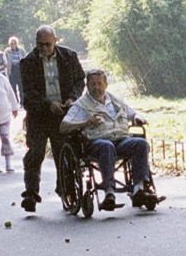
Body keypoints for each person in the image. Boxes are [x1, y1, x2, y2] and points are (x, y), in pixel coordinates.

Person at [61, 69, 158, 210]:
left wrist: (137, 117)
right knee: (106, 146)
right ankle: (109, 193)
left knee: (140, 143)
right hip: (96, 142)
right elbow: (63, 127)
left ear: (106, 84)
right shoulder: (81, 105)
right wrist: (86, 122)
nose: (96, 87)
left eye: (100, 83)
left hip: (121, 139)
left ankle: (139, 189)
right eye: (93, 84)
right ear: (87, 86)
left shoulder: (116, 100)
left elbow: (133, 113)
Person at [18, 25, 85, 212]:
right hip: (39, 115)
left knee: (63, 152)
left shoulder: (69, 57)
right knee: (35, 153)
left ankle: (65, 188)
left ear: (55, 40)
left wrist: (72, 97)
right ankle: (31, 193)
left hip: (63, 113)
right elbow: (29, 93)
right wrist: (48, 104)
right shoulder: (28, 62)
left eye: (48, 44)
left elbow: (80, 79)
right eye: (40, 45)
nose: (45, 48)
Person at [4, 35, 25, 105]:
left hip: (19, 70)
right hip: (11, 70)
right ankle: (15, 102)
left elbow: (25, 59)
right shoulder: (7, 51)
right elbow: (5, 60)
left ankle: (22, 102)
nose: (12, 45)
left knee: (21, 87)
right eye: (10, 44)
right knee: (13, 87)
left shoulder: (21, 50)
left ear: (16, 43)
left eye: (13, 44)